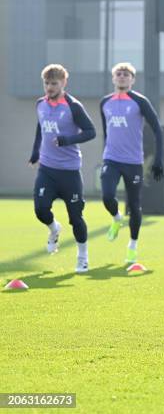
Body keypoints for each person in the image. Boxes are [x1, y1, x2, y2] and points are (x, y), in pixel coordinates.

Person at [29, 64, 96, 273]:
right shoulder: (40, 104)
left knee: (76, 217)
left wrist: (67, 139)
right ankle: (53, 229)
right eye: (47, 83)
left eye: (54, 83)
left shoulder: (73, 106)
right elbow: (41, 128)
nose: (49, 87)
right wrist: (35, 152)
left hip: (69, 171)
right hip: (47, 169)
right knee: (40, 209)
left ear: (64, 83)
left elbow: (90, 131)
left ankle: (82, 257)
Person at [100, 62, 164, 264]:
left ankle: (132, 246)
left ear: (132, 79)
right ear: (113, 78)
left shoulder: (140, 101)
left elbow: (157, 129)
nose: (122, 76)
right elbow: (105, 132)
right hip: (111, 158)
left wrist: (159, 159)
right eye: (118, 73)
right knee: (107, 196)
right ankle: (117, 218)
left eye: (126, 74)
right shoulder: (105, 103)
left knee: (134, 206)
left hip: (133, 161)